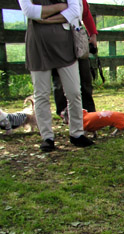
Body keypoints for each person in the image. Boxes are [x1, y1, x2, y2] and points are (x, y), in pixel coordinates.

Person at [18, 0, 93, 151]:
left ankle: (77, 133)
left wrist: (45, 18)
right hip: (38, 46)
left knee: (74, 92)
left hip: (65, 45)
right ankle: (47, 137)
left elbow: (75, 11)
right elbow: (29, 11)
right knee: (41, 94)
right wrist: (60, 8)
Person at [52, 0, 98, 116]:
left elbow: (86, 13)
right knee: (59, 77)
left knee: (85, 75)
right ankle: (63, 111)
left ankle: (89, 110)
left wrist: (92, 34)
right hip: (58, 36)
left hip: (77, 33)